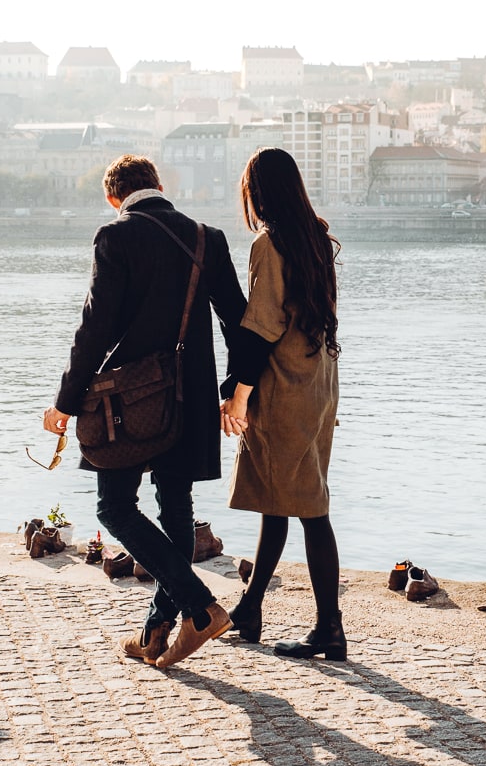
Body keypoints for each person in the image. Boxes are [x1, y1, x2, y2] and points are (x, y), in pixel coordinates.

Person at [42, 154, 247, 669]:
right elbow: (237, 322)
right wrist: (236, 391)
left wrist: (66, 402)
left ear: (114, 198)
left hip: (130, 403)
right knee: (175, 507)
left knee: (114, 507)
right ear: (159, 185)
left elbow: (96, 328)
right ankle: (156, 631)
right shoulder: (208, 237)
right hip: (193, 397)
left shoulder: (117, 236)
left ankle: (199, 608)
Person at [220, 147, 345, 660]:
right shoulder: (315, 238)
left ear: (259, 191)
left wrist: (237, 397)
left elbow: (260, 326)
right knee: (280, 499)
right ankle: (250, 608)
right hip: (317, 380)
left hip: (285, 385)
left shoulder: (270, 246)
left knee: (309, 507)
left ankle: (329, 629)